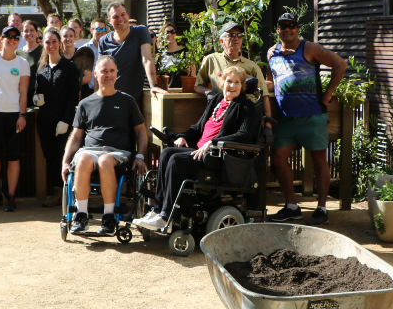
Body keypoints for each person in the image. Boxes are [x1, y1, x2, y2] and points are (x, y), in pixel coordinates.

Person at [134, 66, 255, 230]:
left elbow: (245, 134)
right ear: (222, 82)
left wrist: (213, 142)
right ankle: (158, 211)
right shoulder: (217, 100)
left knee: (176, 161)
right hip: (198, 151)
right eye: (229, 81)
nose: (232, 86)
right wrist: (182, 136)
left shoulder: (245, 105)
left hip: (216, 157)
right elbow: (198, 128)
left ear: (242, 86)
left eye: (237, 82)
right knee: (167, 153)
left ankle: (164, 215)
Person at [266, 13, 347, 226]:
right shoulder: (271, 52)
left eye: (292, 25)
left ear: (297, 28)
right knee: (278, 158)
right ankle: (292, 207)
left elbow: (340, 64)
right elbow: (271, 82)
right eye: (283, 26)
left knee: (319, 160)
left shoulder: (309, 48)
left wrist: (329, 93)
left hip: (312, 115)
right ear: (277, 29)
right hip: (284, 118)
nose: (288, 29)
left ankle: (322, 209)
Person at [61, 55, 147, 235]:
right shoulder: (85, 103)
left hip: (117, 153)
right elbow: (76, 136)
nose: (108, 75)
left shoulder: (127, 101)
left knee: (105, 160)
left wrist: (140, 156)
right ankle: (81, 216)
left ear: (117, 74)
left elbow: (140, 131)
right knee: (83, 159)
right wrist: (66, 161)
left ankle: (109, 217)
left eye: (111, 71)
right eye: (104, 71)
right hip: (89, 151)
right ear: (95, 75)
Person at [0, 26, 31, 212]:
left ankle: (11, 195)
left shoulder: (22, 63)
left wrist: (22, 115)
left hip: (14, 113)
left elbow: (24, 92)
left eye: (15, 38)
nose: (11, 40)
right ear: (1, 39)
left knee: (13, 156)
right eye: (8, 37)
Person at [33, 30, 80, 206]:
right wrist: (36, 98)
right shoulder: (41, 69)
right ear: (43, 44)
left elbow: (73, 96)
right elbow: (38, 92)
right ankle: (57, 191)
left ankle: (70, 194)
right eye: (47, 42)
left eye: (54, 42)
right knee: (50, 157)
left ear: (59, 43)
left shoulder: (69, 67)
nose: (51, 46)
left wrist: (66, 120)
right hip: (45, 121)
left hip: (64, 122)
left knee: (64, 157)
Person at [195, 21, 271, 118]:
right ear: (221, 41)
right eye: (231, 35)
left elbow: (264, 95)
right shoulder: (211, 60)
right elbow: (198, 86)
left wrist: (268, 124)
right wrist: (208, 92)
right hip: (222, 112)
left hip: (247, 113)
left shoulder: (252, 65)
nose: (236, 38)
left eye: (239, 35)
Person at [99, 2, 165, 101]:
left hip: (134, 100)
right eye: (115, 17)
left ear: (127, 15)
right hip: (110, 98)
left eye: (123, 14)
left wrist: (153, 85)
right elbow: (100, 72)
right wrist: (97, 97)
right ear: (109, 21)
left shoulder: (140, 32)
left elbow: (147, 58)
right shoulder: (103, 41)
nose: (120, 19)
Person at [16, 20, 43, 105]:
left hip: (39, 96)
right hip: (20, 96)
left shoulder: (43, 51)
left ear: (37, 32)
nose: (29, 33)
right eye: (26, 31)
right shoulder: (17, 53)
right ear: (22, 33)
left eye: (32, 30)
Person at [156, 21, 188, 88]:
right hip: (166, 93)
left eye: (172, 31)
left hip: (182, 93)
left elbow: (192, 76)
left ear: (176, 34)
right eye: (167, 32)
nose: (170, 34)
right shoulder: (161, 55)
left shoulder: (186, 52)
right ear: (162, 36)